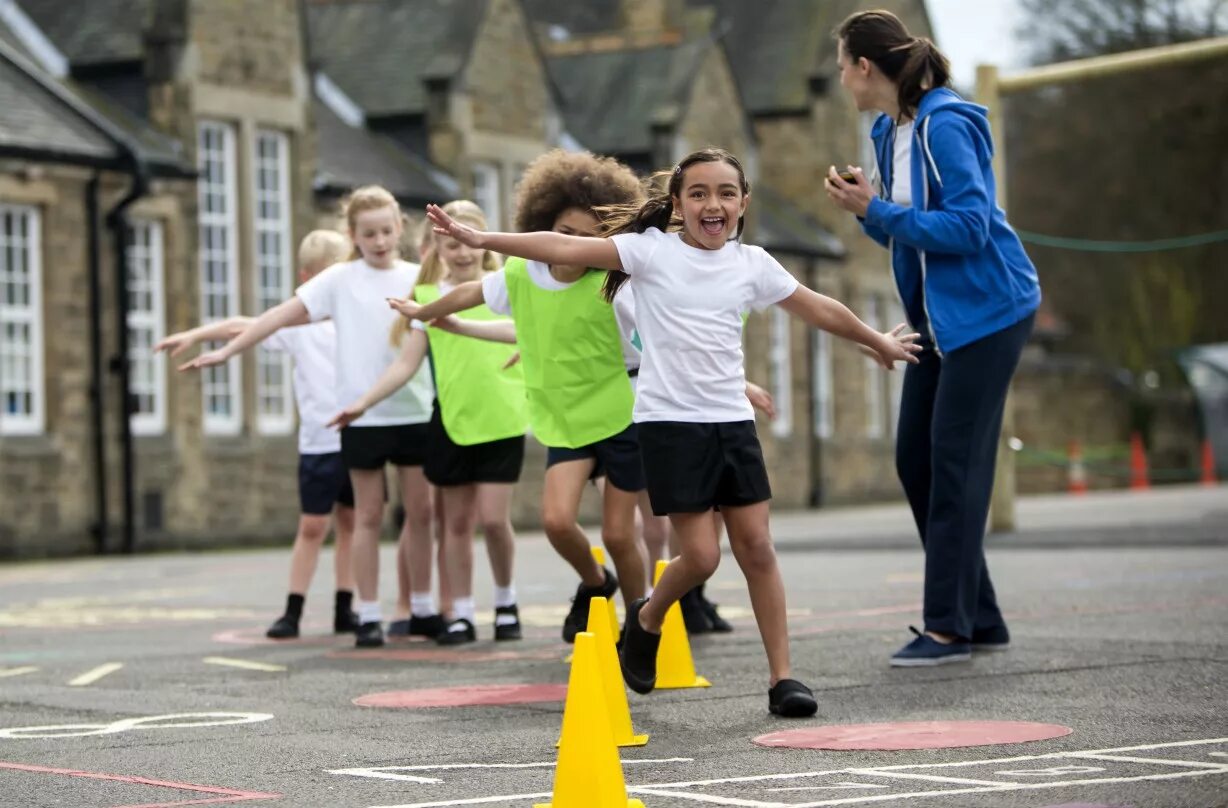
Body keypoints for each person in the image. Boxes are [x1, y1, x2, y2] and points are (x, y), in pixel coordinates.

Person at [425, 146, 921, 718]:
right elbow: (563, 245)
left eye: (726, 193)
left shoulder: (753, 264)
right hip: (670, 425)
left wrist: (876, 341)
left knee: (757, 547)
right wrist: (485, 241)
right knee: (703, 558)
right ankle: (648, 615)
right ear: (679, 205)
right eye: (699, 193)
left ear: (743, 203)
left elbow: (817, 307)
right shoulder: (648, 252)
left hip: (731, 425)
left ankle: (783, 678)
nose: (714, 204)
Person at [825, 10, 1041, 666]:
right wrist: (870, 213)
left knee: (953, 465)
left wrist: (880, 210)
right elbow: (907, 234)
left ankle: (947, 628)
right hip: (935, 322)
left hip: (989, 314)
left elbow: (970, 228)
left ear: (867, 66)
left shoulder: (946, 124)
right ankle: (982, 618)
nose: (840, 78)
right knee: (914, 461)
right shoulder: (888, 130)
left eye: (842, 65)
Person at [393, 150, 651, 644]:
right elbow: (468, 296)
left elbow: (655, 349)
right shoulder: (520, 276)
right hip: (565, 415)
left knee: (620, 534)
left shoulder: (616, 290)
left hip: (622, 411)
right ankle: (597, 583)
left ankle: (639, 626)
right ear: (541, 227)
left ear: (608, 244)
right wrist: (425, 313)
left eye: (587, 240)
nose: (570, 247)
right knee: (556, 521)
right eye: (563, 233)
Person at [181, 186, 444, 648]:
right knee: (366, 516)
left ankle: (422, 608)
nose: (379, 241)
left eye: (386, 230)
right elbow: (279, 316)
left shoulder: (418, 276)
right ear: (352, 235)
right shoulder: (339, 280)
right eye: (368, 234)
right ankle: (366, 614)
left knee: (420, 514)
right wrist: (227, 351)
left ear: (400, 228)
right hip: (358, 417)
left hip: (413, 411)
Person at [331, 200, 526, 645]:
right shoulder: (427, 299)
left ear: (481, 242)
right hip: (452, 421)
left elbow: (535, 335)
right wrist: (362, 403)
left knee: (494, 520)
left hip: (503, 418)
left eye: (465, 242)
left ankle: (506, 601)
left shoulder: (507, 288)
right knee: (454, 524)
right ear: (435, 247)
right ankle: (459, 612)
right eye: (448, 244)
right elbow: (405, 365)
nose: (460, 253)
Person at [155, 230, 359, 639]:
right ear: (307, 278)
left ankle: (346, 606)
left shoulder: (357, 321)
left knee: (353, 525)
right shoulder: (298, 327)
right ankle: (293, 610)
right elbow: (242, 327)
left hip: (358, 438)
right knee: (312, 526)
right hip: (319, 444)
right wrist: (196, 335)